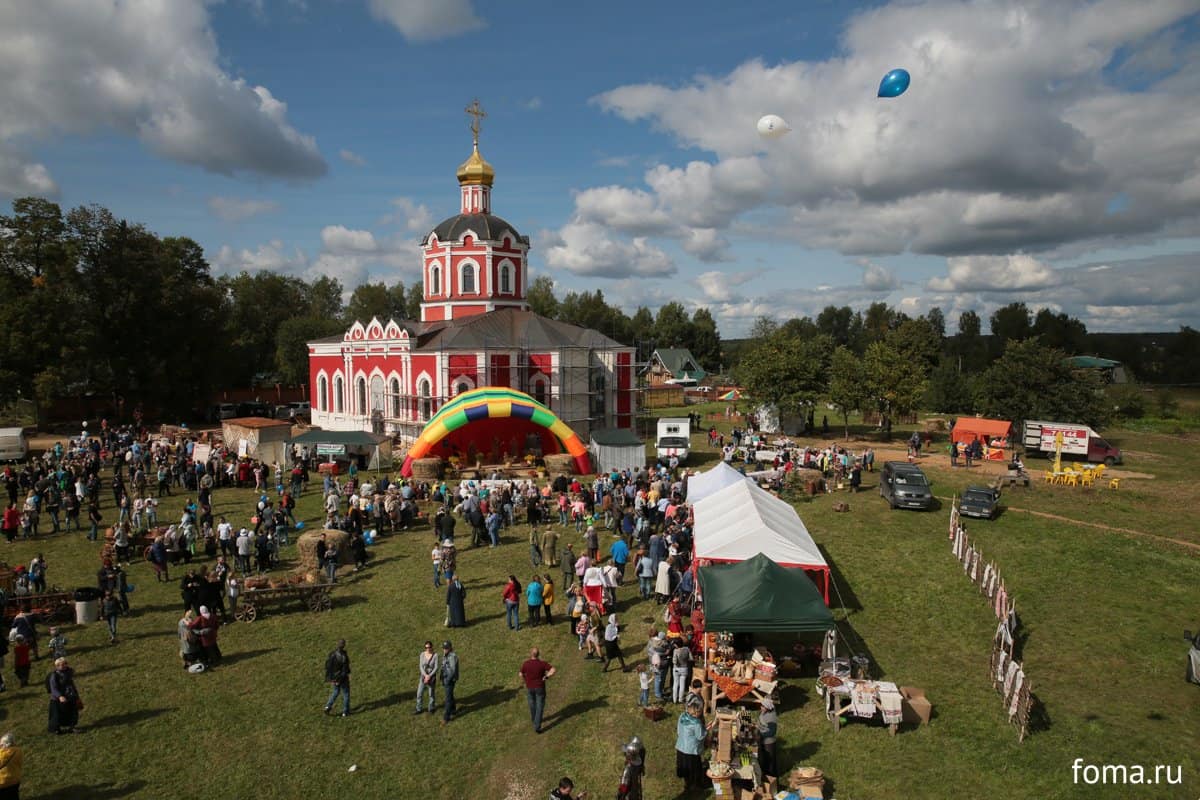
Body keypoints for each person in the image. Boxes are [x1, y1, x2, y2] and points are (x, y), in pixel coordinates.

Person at [518, 646, 556, 734]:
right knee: (540, 706)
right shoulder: (542, 664)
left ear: (530, 654)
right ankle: (537, 726)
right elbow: (553, 670)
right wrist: (546, 676)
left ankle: (534, 719)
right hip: (540, 687)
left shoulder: (526, 664)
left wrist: (525, 679)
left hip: (529, 687)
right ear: (538, 654)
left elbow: (520, 674)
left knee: (532, 704)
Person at [675, 697, 708, 791]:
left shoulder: (682, 716)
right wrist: (706, 730)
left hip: (681, 746)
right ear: (697, 712)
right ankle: (694, 785)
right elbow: (700, 736)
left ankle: (687, 782)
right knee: (694, 768)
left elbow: (678, 730)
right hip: (691, 750)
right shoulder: (696, 723)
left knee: (685, 767)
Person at [47, 657, 81, 734]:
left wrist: (76, 695)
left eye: (65, 663)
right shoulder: (54, 675)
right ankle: (56, 729)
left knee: (72, 713)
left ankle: (72, 727)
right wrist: (60, 696)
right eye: (62, 664)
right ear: (57, 666)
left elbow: (71, 685)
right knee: (57, 715)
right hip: (57, 699)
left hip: (70, 696)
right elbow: (53, 688)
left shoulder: (68, 673)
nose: (65, 665)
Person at [323, 639, 351, 717]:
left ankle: (328, 706)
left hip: (334, 677)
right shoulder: (344, 656)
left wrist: (332, 678)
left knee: (335, 692)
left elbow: (328, 666)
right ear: (344, 645)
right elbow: (345, 670)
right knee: (346, 694)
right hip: (342, 678)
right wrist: (340, 679)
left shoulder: (332, 654)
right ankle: (345, 711)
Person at [414, 640, 438, 714]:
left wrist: (429, 676)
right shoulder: (422, 654)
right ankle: (418, 708)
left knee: (431, 694)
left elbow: (436, 667)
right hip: (423, 676)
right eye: (426, 647)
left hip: (431, 677)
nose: (428, 649)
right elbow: (421, 666)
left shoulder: (435, 655)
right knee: (419, 693)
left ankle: (431, 708)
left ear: (432, 647)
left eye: (429, 647)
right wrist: (425, 675)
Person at [758, 697, 778, 778]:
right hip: (763, 740)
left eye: (763, 706)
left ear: (767, 707)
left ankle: (772, 777)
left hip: (769, 742)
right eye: (761, 705)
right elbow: (762, 723)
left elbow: (772, 732)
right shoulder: (763, 712)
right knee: (764, 759)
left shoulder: (771, 717)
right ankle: (765, 775)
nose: (761, 707)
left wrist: (761, 735)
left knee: (770, 761)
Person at [439, 640, 459, 725]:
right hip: (445, 678)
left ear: (450, 648)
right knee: (450, 695)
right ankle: (453, 709)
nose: (445, 649)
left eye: (446, 648)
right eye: (444, 648)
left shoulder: (452, 656)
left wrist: (447, 680)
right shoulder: (446, 655)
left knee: (447, 699)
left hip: (449, 680)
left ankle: (446, 717)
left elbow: (453, 671)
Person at [671, 639, 693, 703]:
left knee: (675, 684)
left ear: (677, 644)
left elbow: (674, 661)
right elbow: (691, 658)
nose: (674, 645)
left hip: (676, 669)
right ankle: (680, 699)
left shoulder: (675, 651)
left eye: (675, 644)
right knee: (682, 684)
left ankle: (674, 699)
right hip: (684, 668)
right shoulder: (687, 649)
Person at [0, 732, 21, 800]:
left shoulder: (1, 755)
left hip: (3, 783)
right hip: (15, 780)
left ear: (4, 744)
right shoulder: (18, 751)